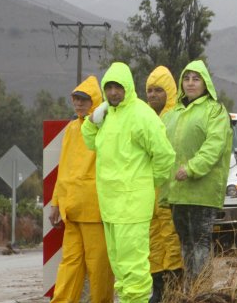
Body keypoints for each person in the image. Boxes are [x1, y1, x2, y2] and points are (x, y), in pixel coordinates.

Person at [82, 62, 176, 303]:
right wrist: (93, 119)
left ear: (128, 87)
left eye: (118, 87)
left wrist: (147, 183)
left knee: (134, 270)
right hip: (111, 207)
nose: (113, 92)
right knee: (121, 271)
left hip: (132, 207)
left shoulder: (141, 115)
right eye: (109, 87)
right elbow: (90, 142)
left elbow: (165, 156)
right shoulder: (108, 115)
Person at [163, 60, 232, 285]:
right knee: (185, 243)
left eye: (196, 78)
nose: (190, 83)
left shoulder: (215, 111)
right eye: (186, 78)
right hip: (177, 191)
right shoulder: (173, 113)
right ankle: (189, 292)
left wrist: (192, 168)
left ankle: (202, 292)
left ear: (205, 83)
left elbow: (214, 146)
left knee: (200, 243)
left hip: (203, 191)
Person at [49, 75, 114, 303]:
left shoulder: (104, 127)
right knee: (70, 265)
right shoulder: (71, 129)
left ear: (94, 100)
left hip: (94, 210)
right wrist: (56, 203)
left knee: (99, 268)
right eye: (75, 99)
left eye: (83, 100)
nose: (78, 103)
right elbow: (63, 169)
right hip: (72, 210)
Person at [144, 66, 183, 302]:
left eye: (159, 90)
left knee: (172, 238)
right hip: (148, 192)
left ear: (169, 91)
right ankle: (157, 289)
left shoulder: (177, 117)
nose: (153, 95)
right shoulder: (144, 117)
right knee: (153, 240)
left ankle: (174, 289)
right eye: (149, 90)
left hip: (171, 190)